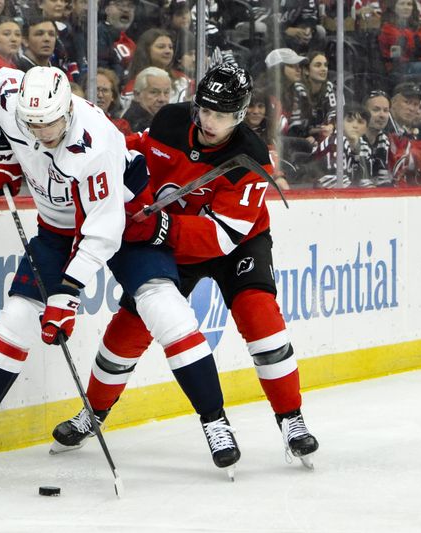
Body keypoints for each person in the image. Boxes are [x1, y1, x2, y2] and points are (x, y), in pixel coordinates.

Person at [0, 66, 240, 475]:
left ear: (68, 109)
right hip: (57, 226)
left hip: (126, 216)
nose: (42, 133)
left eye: (50, 124)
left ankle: (215, 421)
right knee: (17, 316)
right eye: (34, 125)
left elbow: (102, 232)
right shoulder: (15, 103)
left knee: (165, 307)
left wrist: (66, 295)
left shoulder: (94, 143)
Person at [52, 62, 319, 468]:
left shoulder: (250, 157)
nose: (211, 122)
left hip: (237, 245)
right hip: (175, 242)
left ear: (242, 114)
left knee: (261, 319)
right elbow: (129, 152)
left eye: (224, 115)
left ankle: (291, 420)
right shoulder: (170, 121)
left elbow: (221, 236)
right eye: (206, 111)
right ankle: (94, 414)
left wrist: (160, 225)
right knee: (130, 326)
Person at [310, 104, 373, 188]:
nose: (355, 126)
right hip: (321, 195)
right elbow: (335, 183)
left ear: (366, 128)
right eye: (349, 120)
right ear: (337, 124)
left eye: (360, 122)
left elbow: (365, 181)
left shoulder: (364, 147)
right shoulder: (334, 143)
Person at [122, 66, 171, 133]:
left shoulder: (163, 119)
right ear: (137, 95)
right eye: (154, 92)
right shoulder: (135, 125)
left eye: (166, 92)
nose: (162, 99)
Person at [362, 89, 393, 186]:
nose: (382, 115)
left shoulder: (384, 140)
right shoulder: (353, 140)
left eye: (386, 110)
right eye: (376, 110)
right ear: (363, 112)